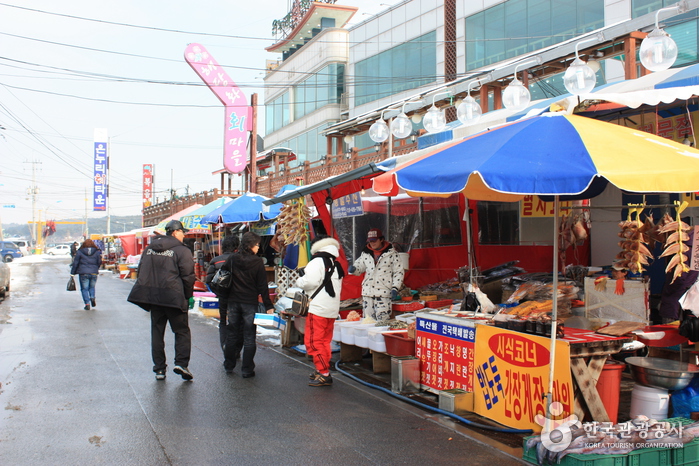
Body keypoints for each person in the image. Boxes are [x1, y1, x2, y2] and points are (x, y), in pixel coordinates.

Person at [127, 220, 196, 381]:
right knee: (181, 331)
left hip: (154, 297)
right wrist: (188, 295)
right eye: (182, 232)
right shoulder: (181, 250)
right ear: (175, 232)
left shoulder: (150, 249)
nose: (184, 235)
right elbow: (188, 276)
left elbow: (142, 269)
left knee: (157, 332)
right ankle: (181, 363)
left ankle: (159, 369)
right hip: (174, 296)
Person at [220, 231, 274, 377]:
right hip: (250, 303)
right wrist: (268, 305)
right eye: (257, 245)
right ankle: (247, 369)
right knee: (249, 336)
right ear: (251, 245)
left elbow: (223, 275)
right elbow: (263, 286)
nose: (258, 248)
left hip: (233, 301)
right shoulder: (257, 262)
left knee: (232, 335)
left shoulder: (232, 258)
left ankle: (229, 365)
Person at [296, 236, 344, 387]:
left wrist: (299, 280)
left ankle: (324, 373)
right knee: (324, 341)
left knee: (314, 342)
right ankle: (322, 369)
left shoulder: (317, 262)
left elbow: (308, 282)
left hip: (318, 308)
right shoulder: (336, 264)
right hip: (331, 308)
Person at [348, 228, 404, 322]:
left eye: (374, 241)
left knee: (383, 322)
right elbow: (359, 267)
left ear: (381, 239)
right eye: (370, 241)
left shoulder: (392, 254)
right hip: (367, 293)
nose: (372, 243)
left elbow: (399, 272)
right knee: (368, 321)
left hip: (383, 293)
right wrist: (353, 269)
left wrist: (395, 288)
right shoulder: (365, 253)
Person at [205, 235, 243, 359]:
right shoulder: (241, 259)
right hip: (238, 297)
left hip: (223, 297)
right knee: (238, 322)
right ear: (237, 247)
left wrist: (218, 292)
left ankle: (225, 346)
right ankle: (236, 349)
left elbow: (209, 280)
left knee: (223, 321)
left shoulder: (216, 260)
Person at [70, 239, 102, 310]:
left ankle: (87, 303)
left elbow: (76, 263)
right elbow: (99, 262)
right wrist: (96, 268)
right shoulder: (97, 252)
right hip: (94, 272)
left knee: (84, 289)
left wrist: (72, 273)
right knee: (92, 287)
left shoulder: (80, 252)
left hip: (83, 273)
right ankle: (92, 297)